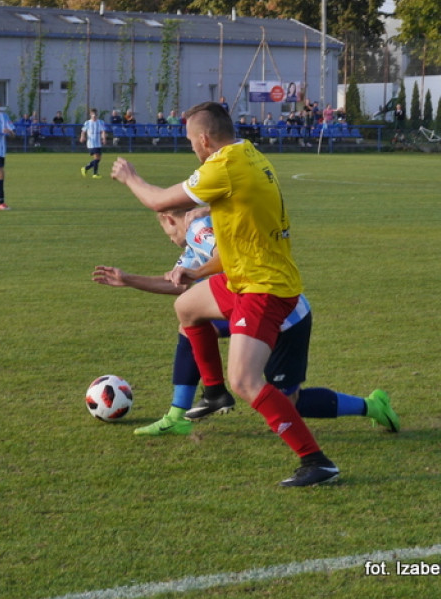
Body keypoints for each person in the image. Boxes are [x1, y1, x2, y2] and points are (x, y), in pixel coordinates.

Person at [111, 101, 348, 487]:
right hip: (243, 274)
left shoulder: (222, 167)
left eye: (190, 140)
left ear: (204, 139)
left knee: (248, 380)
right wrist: (198, 270)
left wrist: (129, 176)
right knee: (186, 306)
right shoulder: (249, 153)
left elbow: (159, 202)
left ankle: (316, 461)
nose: (191, 147)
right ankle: (215, 393)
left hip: (263, 286)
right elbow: (237, 230)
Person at [93, 205, 399, 439]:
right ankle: (179, 415)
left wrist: (199, 271)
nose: (170, 240)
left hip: (282, 317)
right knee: (190, 320)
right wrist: (128, 279)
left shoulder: (199, 228)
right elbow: (177, 285)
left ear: (170, 219)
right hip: (247, 309)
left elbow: (225, 254)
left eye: (166, 231)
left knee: (287, 401)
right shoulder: (192, 247)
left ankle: (372, 406)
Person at [79, 108, 108, 178]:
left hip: (98, 143)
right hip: (91, 143)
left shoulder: (100, 122)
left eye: (95, 114)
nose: (94, 116)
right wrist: (82, 137)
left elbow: (103, 131)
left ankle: (85, 168)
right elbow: (83, 131)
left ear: (97, 115)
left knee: (98, 159)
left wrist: (104, 138)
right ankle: (95, 174)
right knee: (96, 157)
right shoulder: (87, 123)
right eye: (92, 114)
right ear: (90, 115)